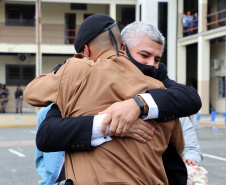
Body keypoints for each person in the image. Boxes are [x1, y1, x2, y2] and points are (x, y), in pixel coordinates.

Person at [35, 21, 202, 184]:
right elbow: (47, 134)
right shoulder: (83, 81)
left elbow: (191, 99)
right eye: (144, 55)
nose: (152, 65)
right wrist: (109, 124)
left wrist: (137, 104)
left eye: (157, 59)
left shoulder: (157, 81)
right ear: (122, 48)